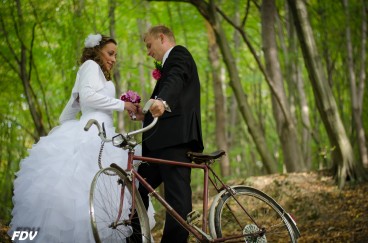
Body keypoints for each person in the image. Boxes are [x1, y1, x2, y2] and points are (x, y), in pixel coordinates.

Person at [8, 34, 154, 242]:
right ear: (96, 51)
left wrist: (70, 128)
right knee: (90, 188)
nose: (114, 59)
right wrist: (121, 105)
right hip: (95, 134)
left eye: (115, 55)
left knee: (107, 189)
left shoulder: (95, 73)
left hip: (104, 132)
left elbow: (68, 112)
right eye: (110, 53)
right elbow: (87, 97)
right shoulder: (90, 67)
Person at [133, 25, 204, 242]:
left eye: (149, 45)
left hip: (175, 141)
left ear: (161, 38)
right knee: (136, 189)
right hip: (159, 145)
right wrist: (143, 113)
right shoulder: (166, 66)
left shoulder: (179, 54)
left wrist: (162, 101)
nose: (148, 52)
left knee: (177, 202)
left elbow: (176, 79)